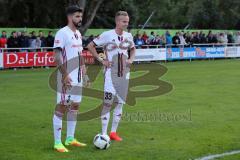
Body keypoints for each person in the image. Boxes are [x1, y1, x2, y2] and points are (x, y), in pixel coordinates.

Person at [87, 11, 136, 141]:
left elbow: (133, 49)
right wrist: (101, 60)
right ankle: (103, 133)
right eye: (124, 21)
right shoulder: (107, 35)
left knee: (120, 103)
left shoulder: (129, 35)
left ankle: (113, 133)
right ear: (117, 22)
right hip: (110, 74)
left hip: (124, 75)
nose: (126, 24)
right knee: (108, 103)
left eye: (127, 21)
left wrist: (131, 60)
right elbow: (90, 46)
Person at [52, 5, 87, 153]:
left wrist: (84, 70)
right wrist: (65, 74)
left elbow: (79, 54)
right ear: (69, 17)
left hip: (78, 77)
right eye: (77, 16)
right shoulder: (62, 33)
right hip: (67, 77)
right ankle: (58, 142)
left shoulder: (78, 33)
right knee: (62, 107)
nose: (80, 19)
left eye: (81, 16)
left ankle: (70, 138)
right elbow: (57, 56)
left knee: (75, 107)